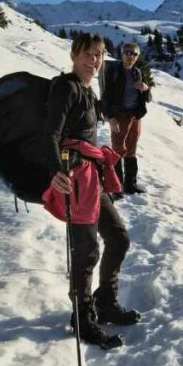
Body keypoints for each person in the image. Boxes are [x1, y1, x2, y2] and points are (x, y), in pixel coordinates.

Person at [45, 33, 141, 349]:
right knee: (85, 252)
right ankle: (82, 318)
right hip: (74, 177)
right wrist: (55, 170)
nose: (94, 60)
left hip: (91, 176)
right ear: (74, 55)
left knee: (118, 237)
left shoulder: (88, 90)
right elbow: (51, 134)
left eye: (99, 54)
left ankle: (105, 302)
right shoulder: (66, 87)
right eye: (88, 54)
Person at [102, 42, 151, 195]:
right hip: (119, 116)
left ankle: (130, 184)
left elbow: (147, 98)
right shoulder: (112, 72)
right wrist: (110, 117)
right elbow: (105, 96)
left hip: (135, 116)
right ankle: (116, 187)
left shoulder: (137, 72)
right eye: (128, 53)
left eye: (134, 54)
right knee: (117, 151)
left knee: (131, 150)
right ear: (122, 54)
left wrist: (146, 88)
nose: (131, 56)